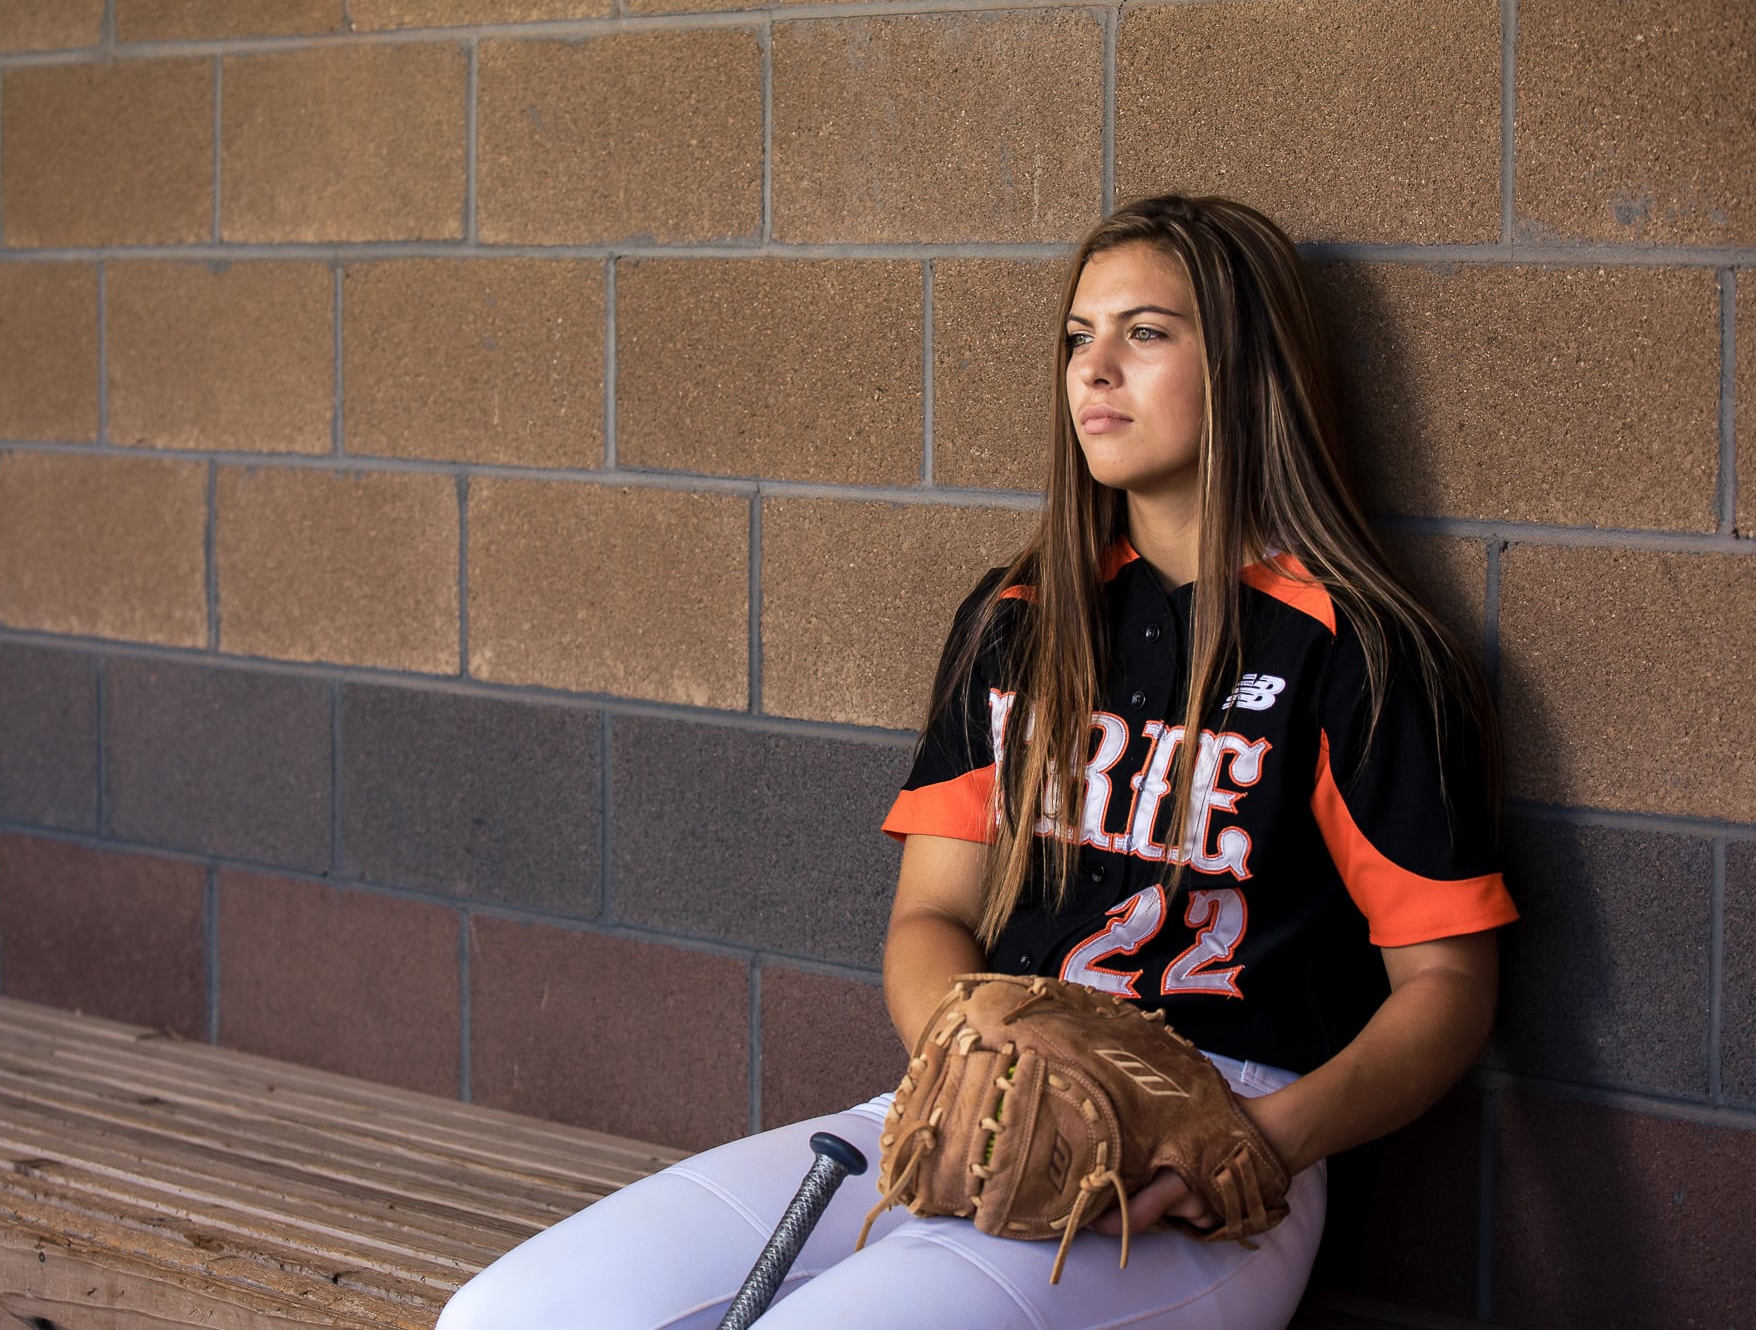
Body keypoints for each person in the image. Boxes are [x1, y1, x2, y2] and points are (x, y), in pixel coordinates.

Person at [435, 194, 1518, 1329]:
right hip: (973, 1096)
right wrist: (974, 1062)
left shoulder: (1364, 651)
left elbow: (1445, 992)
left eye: (1144, 332)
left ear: (1248, 369)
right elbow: (929, 915)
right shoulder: (1022, 615)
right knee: (507, 1314)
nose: (1094, 368)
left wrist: (1263, 1139)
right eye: (1075, 336)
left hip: (1206, 1157)